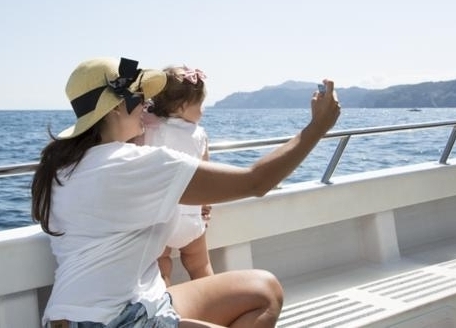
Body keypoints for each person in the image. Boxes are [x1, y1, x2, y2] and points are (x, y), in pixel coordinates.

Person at [31, 56, 340, 328]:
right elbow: (256, 182)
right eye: (139, 96)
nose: (147, 104)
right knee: (266, 294)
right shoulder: (133, 164)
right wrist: (318, 126)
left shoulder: (62, 165)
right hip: (117, 319)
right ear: (115, 108)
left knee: (263, 289)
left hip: (77, 316)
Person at [140, 65, 214, 286]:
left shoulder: (148, 127)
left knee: (161, 268)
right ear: (182, 107)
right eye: (200, 104)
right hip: (190, 218)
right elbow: (206, 175)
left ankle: (168, 303)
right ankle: (210, 297)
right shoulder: (199, 134)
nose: (203, 110)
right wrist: (205, 206)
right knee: (200, 265)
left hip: (159, 219)